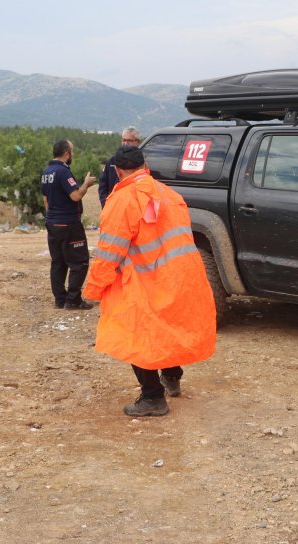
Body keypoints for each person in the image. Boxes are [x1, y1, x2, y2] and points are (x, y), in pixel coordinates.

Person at [83, 146, 217, 417]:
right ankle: (172, 375)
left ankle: (152, 397)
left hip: (145, 281)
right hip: (180, 278)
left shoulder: (122, 201)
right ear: (145, 166)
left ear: (118, 171)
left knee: (136, 336)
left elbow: (110, 252)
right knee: (166, 329)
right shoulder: (170, 194)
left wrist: (94, 289)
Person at [41, 139, 97, 309]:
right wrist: (86, 184)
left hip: (52, 223)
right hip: (68, 224)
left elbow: (46, 200)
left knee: (58, 262)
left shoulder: (46, 171)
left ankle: (60, 300)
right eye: (71, 151)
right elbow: (75, 196)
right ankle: (73, 300)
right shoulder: (63, 172)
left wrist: (53, 217)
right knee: (79, 262)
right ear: (67, 153)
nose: (72, 154)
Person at [97, 126, 141, 206]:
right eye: (124, 140)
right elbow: (103, 185)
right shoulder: (112, 162)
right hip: (113, 208)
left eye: (129, 140)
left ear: (138, 142)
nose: (125, 143)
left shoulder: (142, 163)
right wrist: (106, 205)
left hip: (134, 209)